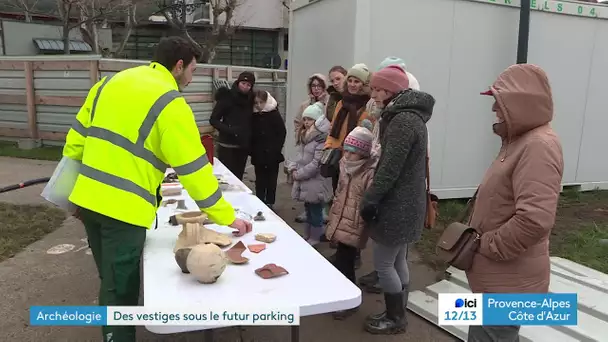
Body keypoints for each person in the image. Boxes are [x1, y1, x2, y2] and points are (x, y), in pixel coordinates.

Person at [62, 36, 252, 342]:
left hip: (86, 202)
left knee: (108, 280)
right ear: (178, 66)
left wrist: (69, 194)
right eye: (192, 69)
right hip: (123, 211)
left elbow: (76, 141)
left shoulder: (109, 83)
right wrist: (227, 216)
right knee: (120, 289)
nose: (192, 77)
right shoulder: (170, 102)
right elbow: (194, 170)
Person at [466, 64, 563, 342]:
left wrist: (486, 246)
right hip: (501, 277)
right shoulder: (520, 141)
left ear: (519, 102)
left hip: (508, 280)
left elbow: (535, 219)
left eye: (499, 101)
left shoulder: (538, 146)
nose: (494, 109)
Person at [360, 65, 434, 335]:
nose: (374, 95)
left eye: (377, 89)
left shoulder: (402, 121)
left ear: (390, 90)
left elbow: (390, 168)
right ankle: (398, 313)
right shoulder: (411, 117)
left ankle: (395, 318)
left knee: (383, 264)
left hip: (396, 205)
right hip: (408, 203)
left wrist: (371, 198)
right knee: (399, 260)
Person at [324, 63, 373, 268]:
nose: (353, 85)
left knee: (353, 211)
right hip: (339, 160)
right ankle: (341, 249)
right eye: (350, 80)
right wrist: (329, 147)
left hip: (356, 164)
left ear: (364, 84)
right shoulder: (341, 103)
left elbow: (366, 137)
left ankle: (354, 254)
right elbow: (334, 129)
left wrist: (352, 157)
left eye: (357, 81)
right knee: (339, 203)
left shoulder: (367, 106)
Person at [326, 126, 376, 320]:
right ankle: (342, 295)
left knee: (345, 263)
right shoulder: (344, 165)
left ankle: (349, 301)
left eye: (352, 152)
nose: (347, 154)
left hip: (355, 223)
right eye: (346, 150)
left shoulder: (368, 173)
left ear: (363, 154)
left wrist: (363, 219)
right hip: (341, 218)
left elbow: (369, 200)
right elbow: (339, 192)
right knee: (341, 261)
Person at [288, 102, 333, 245]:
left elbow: (316, 164)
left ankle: (315, 237)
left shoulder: (320, 139)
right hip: (306, 180)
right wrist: (293, 166)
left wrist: (299, 174)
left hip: (316, 182)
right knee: (308, 209)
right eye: (305, 119)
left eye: (310, 120)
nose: (307, 123)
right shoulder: (305, 136)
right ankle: (307, 235)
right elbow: (299, 156)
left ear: (317, 121)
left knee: (316, 211)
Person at [209, 71, 256, 180]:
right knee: (225, 178)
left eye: (248, 85)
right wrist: (229, 129)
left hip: (242, 147)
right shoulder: (227, 97)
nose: (245, 87)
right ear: (238, 82)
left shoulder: (251, 100)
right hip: (227, 146)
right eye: (243, 83)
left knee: (238, 179)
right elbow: (213, 119)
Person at [251, 90, 287, 210]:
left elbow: (282, 132)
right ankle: (260, 200)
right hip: (259, 154)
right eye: (256, 103)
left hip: (272, 154)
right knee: (260, 179)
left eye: (261, 102)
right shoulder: (254, 115)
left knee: (271, 180)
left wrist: (276, 148)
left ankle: (270, 201)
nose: (258, 105)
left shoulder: (273, 114)